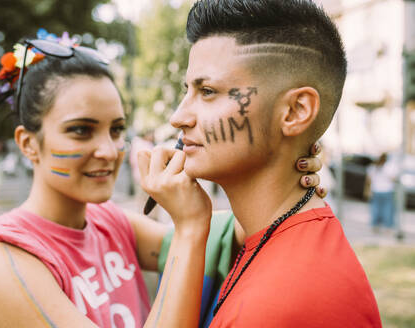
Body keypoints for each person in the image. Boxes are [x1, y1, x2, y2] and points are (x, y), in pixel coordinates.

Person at [0, 30, 322, 328]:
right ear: (28, 144)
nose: (109, 151)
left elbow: (233, 236)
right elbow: (197, 237)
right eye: (80, 130)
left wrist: (281, 163)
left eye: (116, 129)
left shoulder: (109, 223)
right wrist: (188, 225)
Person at [139, 0, 382, 327]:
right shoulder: (261, 235)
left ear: (295, 111)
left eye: (207, 91)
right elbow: (105, 229)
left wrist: (189, 227)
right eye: (188, 91)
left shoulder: (282, 305)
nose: (178, 117)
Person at [365, 152, 397, 231]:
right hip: (387, 190)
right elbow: (393, 178)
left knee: (375, 209)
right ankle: (388, 226)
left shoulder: (373, 167)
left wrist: (367, 190)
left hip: (376, 190)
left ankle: (375, 226)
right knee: (387, 209)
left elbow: (368, 180)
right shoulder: (389, 167)